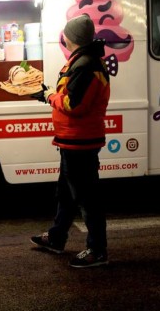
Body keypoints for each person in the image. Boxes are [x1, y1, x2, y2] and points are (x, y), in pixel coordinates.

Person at [30, 14, 111, 268]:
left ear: (70, 37)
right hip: (73, 141)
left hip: (81, 142)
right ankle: (56, 238)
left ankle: (97, 250)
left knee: (88, 199)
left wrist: (48, 96)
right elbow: (69, 96)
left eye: (65, 33)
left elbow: (73, 105)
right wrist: (48, 94)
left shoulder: (86, 64)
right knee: (66, 194)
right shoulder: (81, 61)